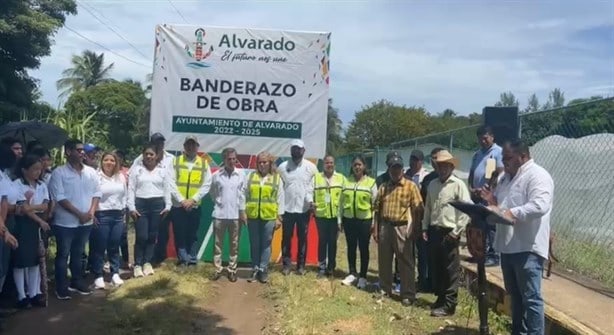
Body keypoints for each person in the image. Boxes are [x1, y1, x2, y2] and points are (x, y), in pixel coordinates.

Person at [479, 139, 554, 335]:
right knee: (514, 296)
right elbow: (503, 208)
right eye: (503, 158)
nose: (504, 162)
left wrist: (511, 213)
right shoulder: (505, 178)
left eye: (508, 158)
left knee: (531, 298)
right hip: (507, 246)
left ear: (522, 156)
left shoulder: (538, 176)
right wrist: (492, 203)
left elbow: (540, 205)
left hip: (527, 247)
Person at [48, 139, 101, 299]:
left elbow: (96, 193)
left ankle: (76, 281)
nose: (82, 152)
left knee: (78, 253)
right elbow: (60, 197)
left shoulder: (90, 172)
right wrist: (79, 214)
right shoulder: (59, 173)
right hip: (65, 223)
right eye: (78, 150)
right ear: (68, 152)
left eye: (82, 150)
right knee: (63, 254)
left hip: (86, 221)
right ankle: (61, 286)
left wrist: (91, 212)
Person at [422, 150, 471, 317]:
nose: (442, 168)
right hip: (434, 229)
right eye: (440, 165)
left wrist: (457, 231)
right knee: (437, 266)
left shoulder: (458, 185)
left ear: (451, 167)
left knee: (451, 269)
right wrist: (424, 227)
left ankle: (450, 304)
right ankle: (440, 299)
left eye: (446, 165)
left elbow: (466, 210)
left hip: (450, 231)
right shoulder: (433, 184)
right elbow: (428, 207)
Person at [374, 155, 423, 306]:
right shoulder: (383, 187)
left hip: (402, 227)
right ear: (388, 170)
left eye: (398, 168)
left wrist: (415, 228)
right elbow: (377, 209)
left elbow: (418, 209)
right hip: (385, 226)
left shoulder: (410, 186)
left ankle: (408, 294)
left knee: (405, 261)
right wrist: (376, 229)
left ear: (402, 169)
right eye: (392, 168)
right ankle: (385, 289)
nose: (395, 171)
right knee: (384, 260)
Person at [9, 154, 50, 308]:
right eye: (34, 169)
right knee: (21, 261)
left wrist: (30, 206)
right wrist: (35, 213)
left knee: (35, 260)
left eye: (39, 169)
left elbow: (45, 205)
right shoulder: (17, 184)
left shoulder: (42, 185)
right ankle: (22, 295)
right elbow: (23, 209)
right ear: (24, 170)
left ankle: (34, 293)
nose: (37, 172)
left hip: (38, 223)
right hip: (23, 224)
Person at [130, 133, 175, 265]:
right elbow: (132, 186)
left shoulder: (170, 160)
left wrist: (168, 205)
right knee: (142, 236)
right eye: (156, 142)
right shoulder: (138, 163)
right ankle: (139, 263)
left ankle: (152, 261)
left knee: (156, 235)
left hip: (158, 204)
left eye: (161, 142)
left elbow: (168, 186)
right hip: (141, 203)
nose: (159, 145)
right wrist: (131, 206)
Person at [171, 136, 212, 266]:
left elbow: (207, 184)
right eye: (188, 144)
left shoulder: (204, 163)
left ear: (197, 147)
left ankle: (192, 260)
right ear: (184, 146)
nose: (190, 147)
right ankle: (183, 260)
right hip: (178, 206)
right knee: (180, 234)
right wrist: (182, 200)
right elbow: (170, 183)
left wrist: (193, 200)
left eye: (193, 145)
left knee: (193, 234)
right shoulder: (175, 162)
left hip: (194, 206)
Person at [278, 139, 317, 276]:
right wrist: (279, 210)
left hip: (303, 209)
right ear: (291, 150)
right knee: (286, 237)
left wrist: (312, 203)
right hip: (287, 209)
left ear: (303, 150)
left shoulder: (311, 168)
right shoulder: (282, 167)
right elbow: (279, 190)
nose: (296, 151)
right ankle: (286, 265)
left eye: (299, 149)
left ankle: (301, 266)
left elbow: (312, 188)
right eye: (294, 149)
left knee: (302, 238)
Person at [245, 151, 284, 283]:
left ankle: (263, 269)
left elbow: (280, 198)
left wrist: (279, 217)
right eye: (260, 162)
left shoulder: (276, 178)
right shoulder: (251, 176)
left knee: (266, 244)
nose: (262, 164)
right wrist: (243, 212)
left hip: (269, 216)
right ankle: (254, 269)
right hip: (253, 216)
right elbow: (243, 195)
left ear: (270, 163)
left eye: (265, 162)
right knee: (254, 244)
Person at [339, 155, 377, 289]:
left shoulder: (371, 183)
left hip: (364, 221)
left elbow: (375, 205)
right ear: (352, 166)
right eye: (355, 164)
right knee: (351, 247)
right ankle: (352, 273)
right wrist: (340, 219)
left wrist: (374, 222)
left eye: (360, 164)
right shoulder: (346, 181)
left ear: (364, 167)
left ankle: (363, 276)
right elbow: (341, 202)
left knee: (363, 248)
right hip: (349, 220)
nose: (357, 167)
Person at [209, 148, 246, 282]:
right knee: (217, 244)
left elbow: (243, 195)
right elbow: (213, 193)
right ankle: (217, 269)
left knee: (234, 245)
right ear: (223, 160)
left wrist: (242, 211)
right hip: (220, 214)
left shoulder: (241, 175)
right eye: (228, 159)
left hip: (235, 215)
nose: (231, 161)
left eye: (233, 158)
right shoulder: (217, 175)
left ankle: (232, 270)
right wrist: (219, 203)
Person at [468, 126, 504, 267]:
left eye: (485, 137)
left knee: (491, 225)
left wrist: (487, 190)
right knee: (478, 225)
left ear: (492, 137)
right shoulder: (477, 154)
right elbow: (472, 173)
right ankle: (479, 253)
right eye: (480, 138)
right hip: (477, 196)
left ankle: (493, 255)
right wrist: (471, 188)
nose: (483, 141)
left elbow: (497, 173)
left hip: (490, 196)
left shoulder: (496, 152)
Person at [92, 152, 127, 289]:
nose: (109, 162)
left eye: (112, 160)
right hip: (102, 214)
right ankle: (98, 275)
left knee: (114, 245)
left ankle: (115, 273)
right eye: (106, 160)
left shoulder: (120, 177)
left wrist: (123, 211)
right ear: (102, 162)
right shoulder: (96, 177)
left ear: (116, 162)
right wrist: (92, 213)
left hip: (118, 215)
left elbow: (124, 195)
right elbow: (92, 195)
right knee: (99, 246)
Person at [313, 155, 344, 278]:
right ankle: (321, 267)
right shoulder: (316, 178)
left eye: (331, 162)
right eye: (327, 163)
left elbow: (345, 195)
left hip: (335, 217)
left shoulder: (341, 178)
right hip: (321, 215)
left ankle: (331, 268)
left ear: (334, 164)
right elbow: (310, 192)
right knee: (322, 241)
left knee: (333, 242)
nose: (329, 165)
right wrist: (311, 202)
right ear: (323, 164)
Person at [113, 149, 130, 269]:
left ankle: (125, 260)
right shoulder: (107, 172)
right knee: (111, 236)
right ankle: (112, 259)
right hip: (110, 207)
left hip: (124, 207)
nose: (118, 160)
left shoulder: (127, 172)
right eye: (115, 157)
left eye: (120, 157)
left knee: (123, 233)